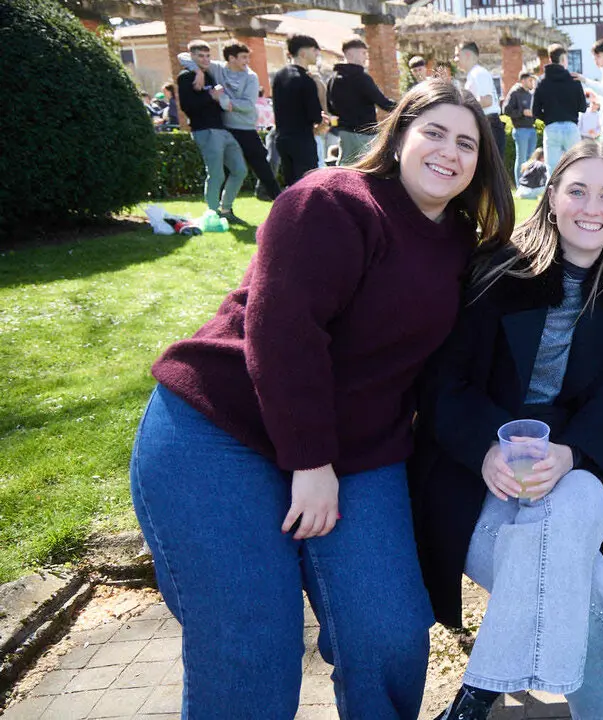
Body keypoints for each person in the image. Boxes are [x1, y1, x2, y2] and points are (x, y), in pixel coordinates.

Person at [129, 79, 515, 719]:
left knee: (389, 632)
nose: (449, 152)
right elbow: (282, 334)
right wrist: (309, 464)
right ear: (399, 138)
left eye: (467, 143)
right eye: (434, 132)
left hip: (360, 450)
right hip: (223, 429)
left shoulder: (459, 242)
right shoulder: (331, 201)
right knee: (254, 643)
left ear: (482, 162)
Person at [414, 141, 603, 720]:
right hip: (476, 477)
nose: (591, 207)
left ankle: (475, 698)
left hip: (574, 470)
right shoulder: (499, 276)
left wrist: (570, 455)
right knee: (583, 581)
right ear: (553, 198)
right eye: (578, 190)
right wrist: (485, 449)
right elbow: (444, 385)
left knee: (574, 514)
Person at [176, 41, 280, 202]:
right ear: (231, 58)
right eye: (243, 57)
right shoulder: (216, 68)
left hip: (244, 128)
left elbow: (247, 105)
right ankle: (220, 209)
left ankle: (278, 199)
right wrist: (198, 71)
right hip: (224, 127)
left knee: (261, 165)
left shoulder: (251, 77)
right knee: (223, 171)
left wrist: (223, 100)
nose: (247, 61)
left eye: (248, 57)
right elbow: (183, 56)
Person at [176, 39, 249, 222]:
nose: (205, 59)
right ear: (192, 56)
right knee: (216, 173)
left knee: (240, 170)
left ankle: (226, 210)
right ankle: (213, 214)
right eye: (200, 56)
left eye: (208, 55)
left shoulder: (206, 74)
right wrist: (211, 96)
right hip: (205, 130)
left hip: (222, 129)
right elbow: (187, 106)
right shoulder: (186, 76)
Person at [328, 38, 396, 166]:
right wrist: (406, 107)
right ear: (350, 54)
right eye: (363, 53)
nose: (366, 57)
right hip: (365, 134)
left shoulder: (333, 79)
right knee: (368, 169)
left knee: (345, 169)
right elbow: (384, 103)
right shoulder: (362, 78)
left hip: (345, 133)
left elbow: (331, 108)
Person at [272, 34, 324, 187]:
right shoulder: (306, 80)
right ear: (303, 53)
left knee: (292, 186)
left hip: (282, 138)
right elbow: (315, 115)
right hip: (302, 139)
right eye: (314, 50)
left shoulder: (279, 76)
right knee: (308, 185)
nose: (317, 54)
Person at [533, 43, 587, 173]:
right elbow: (583, 107)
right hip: (571, 127)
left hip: (552, 127)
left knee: (552, 170)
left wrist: (548, 117)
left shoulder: (542, 81)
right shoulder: (574, 79)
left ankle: (552, 193)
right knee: (576, 167)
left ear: (550, 59)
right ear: (563, 59)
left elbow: (535, 111)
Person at [454, 41, 505, 156]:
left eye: (457, 55)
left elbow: (487, 101)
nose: (455, 59)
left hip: (489, 125)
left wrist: (462, 106)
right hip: (485, 124)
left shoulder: (478, 73)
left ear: (467, 55)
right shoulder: (474, 74)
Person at [504, 72, 538, 184]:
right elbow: (506, 110)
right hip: (520, 130)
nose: (532, 83)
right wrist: (522, 112)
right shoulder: (514, 93)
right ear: (523, 81)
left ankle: (529, 184)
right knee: (521, 159)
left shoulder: (531, 94)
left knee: (531, 159)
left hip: (532, 130)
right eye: (530, 80)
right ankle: (520, 185)